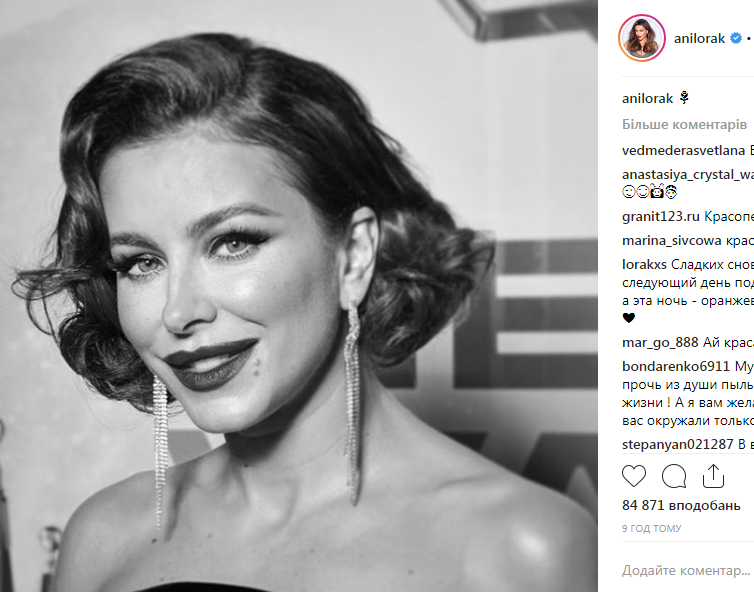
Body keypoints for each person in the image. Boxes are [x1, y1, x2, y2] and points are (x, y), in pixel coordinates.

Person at [14, 33, 596, 592]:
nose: (178, 312)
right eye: (141, 262)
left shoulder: (520, 548)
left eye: (233, 242)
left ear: (354, 254)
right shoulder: (104, 540)